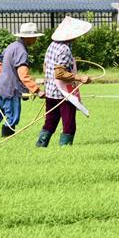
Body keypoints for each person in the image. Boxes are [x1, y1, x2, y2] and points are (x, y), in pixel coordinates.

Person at [0, 22, 45, 140]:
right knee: (12, 117)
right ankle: (6, 143)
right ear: (29, 38)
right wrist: (37, 91)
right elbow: (23, 75)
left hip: (1, 87)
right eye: (36, 37)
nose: (37, 39)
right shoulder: (22, 51)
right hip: (11, 90)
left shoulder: (11, 46)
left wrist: (5, 77)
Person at [35, 16, 92, 147]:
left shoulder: (52, 45)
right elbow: (59, 73)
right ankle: (65, 149)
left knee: (50, 121)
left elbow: (46, 66)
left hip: (50, 91)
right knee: (69, 124)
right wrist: (80, 78)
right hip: (63, 94)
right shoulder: (64, 49)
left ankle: (40, 146)